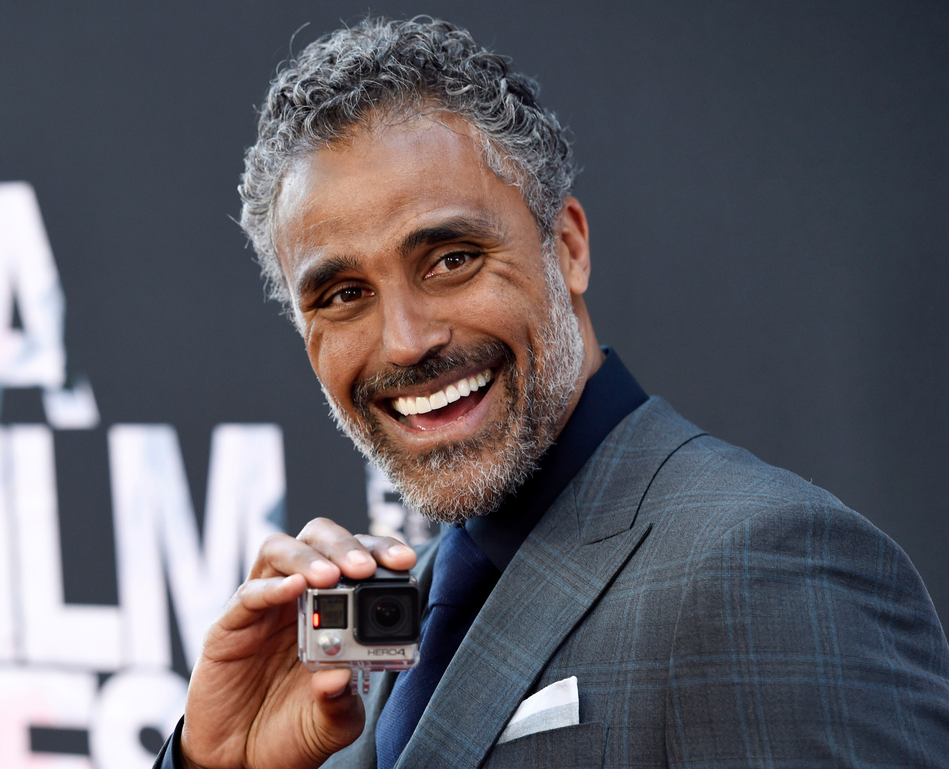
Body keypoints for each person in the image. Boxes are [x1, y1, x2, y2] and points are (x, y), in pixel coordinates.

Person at [155, 16, 949, 769]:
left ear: (566, 246)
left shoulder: (764, 569)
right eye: (343, 295)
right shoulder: (403, 608)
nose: (405, 340)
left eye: (452, 258)